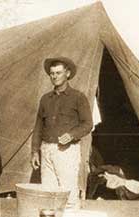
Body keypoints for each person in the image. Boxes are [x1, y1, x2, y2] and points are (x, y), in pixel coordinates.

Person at [30, 57, 93, 207]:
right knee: (49, 196)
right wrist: (34, 151)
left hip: (66, 152)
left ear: (68, 74)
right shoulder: (45, 99)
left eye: (58, 73)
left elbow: (88, 124)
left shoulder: (78, 97)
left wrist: (71, 135)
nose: (55, 76)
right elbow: (38, 126)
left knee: (68, 195)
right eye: (52, 73)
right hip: (47, 150)